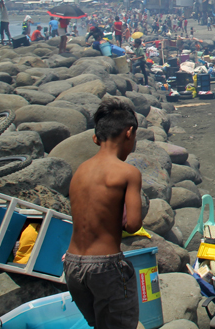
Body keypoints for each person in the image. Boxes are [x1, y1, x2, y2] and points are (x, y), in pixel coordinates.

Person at [64, 98, 143, 329]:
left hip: (73, 265)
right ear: (129, 132)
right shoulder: (128, 173)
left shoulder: (80, 170)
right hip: (105, 267)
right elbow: (134, 225)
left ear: (95, 138)